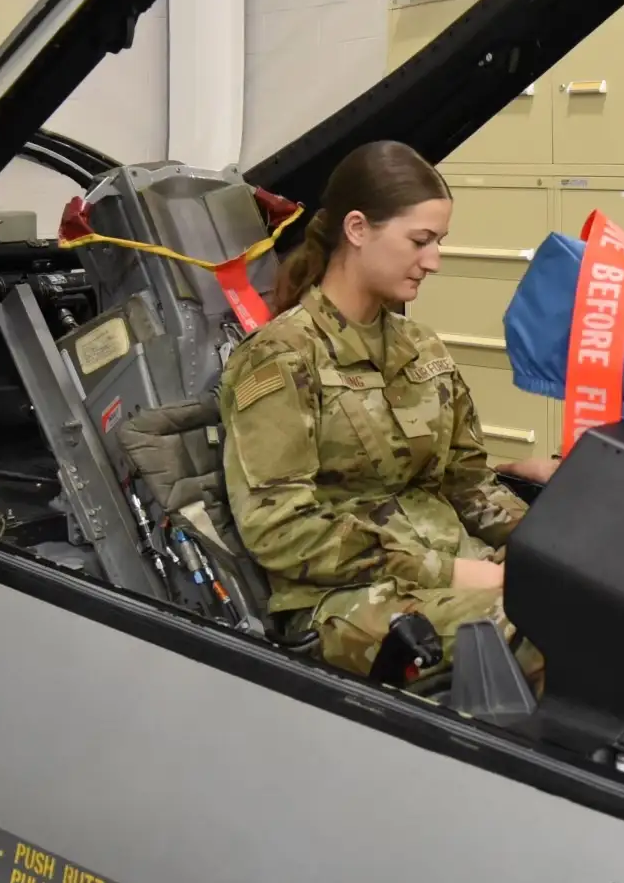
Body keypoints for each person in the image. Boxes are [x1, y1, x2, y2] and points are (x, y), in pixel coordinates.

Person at [218, 139, 543, 689]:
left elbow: (468, 485)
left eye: (438, 242)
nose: (434, 260)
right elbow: (281, 529)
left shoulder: (423, 348)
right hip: (345, 602)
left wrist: (550, 543)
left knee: (597, 600)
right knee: (541, 631)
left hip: (459, 571)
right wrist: (453, 573)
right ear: (357, 229)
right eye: (420, 241)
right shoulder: (282, 358)